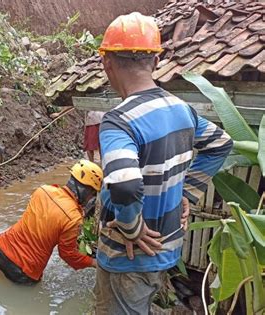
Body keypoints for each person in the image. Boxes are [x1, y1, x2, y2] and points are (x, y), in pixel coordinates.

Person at [95, 12, 233, 314]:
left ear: (107, 63)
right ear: (156, 62)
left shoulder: (119, 122)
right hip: (167, 249)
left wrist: (132, 229)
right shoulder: (183, 110)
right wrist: (187, 192)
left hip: (128, 258)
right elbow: (221, 143)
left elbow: (124, 182)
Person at [0, 160, 102, 287]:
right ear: (87, 191)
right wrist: (94, 262)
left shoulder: (42, 190)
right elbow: (68, 256)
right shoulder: (73, 219)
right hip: (25, 274)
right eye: (93, 194)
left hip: (0, 251)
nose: (91, 199)